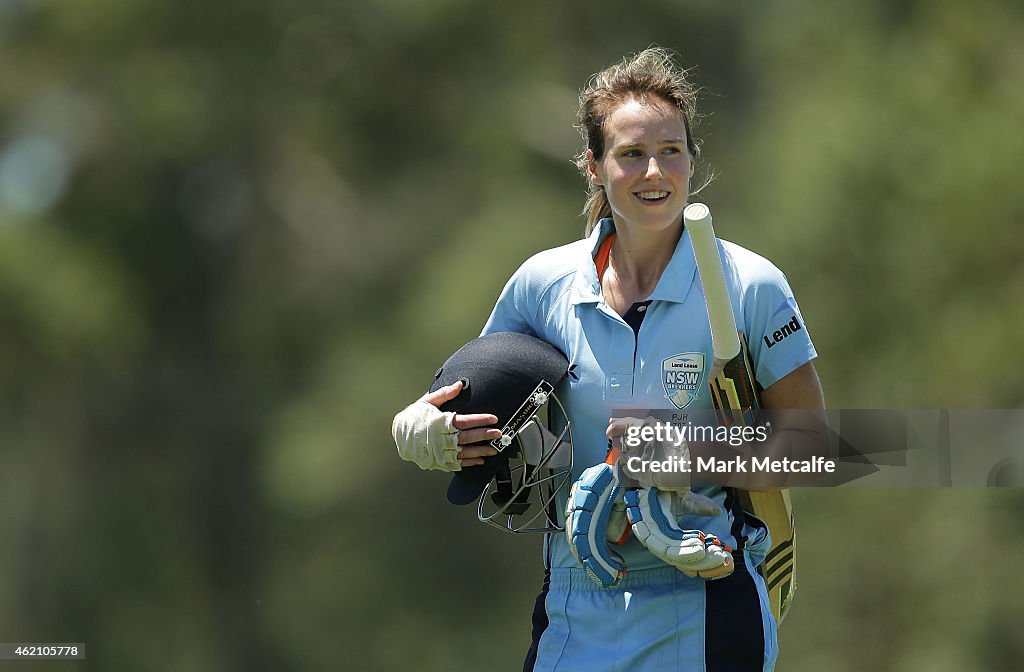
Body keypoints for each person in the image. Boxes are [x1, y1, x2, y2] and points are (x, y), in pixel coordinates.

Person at [393, 47, 825, 672]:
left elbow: (812, 445)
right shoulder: (543, 283)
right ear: (594, 166)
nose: (655, 170)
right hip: (574, 602)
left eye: (671, 150)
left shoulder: (750, 286)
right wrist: (416, 428)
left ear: (692, 160)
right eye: (631, 154)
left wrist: (692, 454)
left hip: (707, 594)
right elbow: (471, 388)